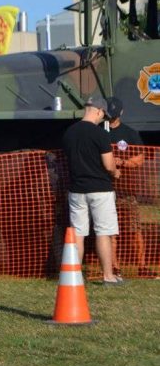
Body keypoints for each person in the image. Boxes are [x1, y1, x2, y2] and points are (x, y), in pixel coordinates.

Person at [62, 96, 122, 285]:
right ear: (98, 110)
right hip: (100, 190)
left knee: (78, 234)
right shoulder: (100, 134)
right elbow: (108, 165)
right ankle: (108, 276)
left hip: (76, 190)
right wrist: (116, 171)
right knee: (103, 232)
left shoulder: (69, 133)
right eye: (102, 114)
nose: (101, 118)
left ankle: (75, 276)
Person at [107, 97, 158, 278]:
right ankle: (114, 267)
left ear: (120, 113)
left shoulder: (130, 133)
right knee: (110, 232)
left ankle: (142, 267)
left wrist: (123, 162)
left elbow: (141, 158)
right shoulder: (99, 132)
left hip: (128, 191)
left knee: (135, 230)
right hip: (106, 191)